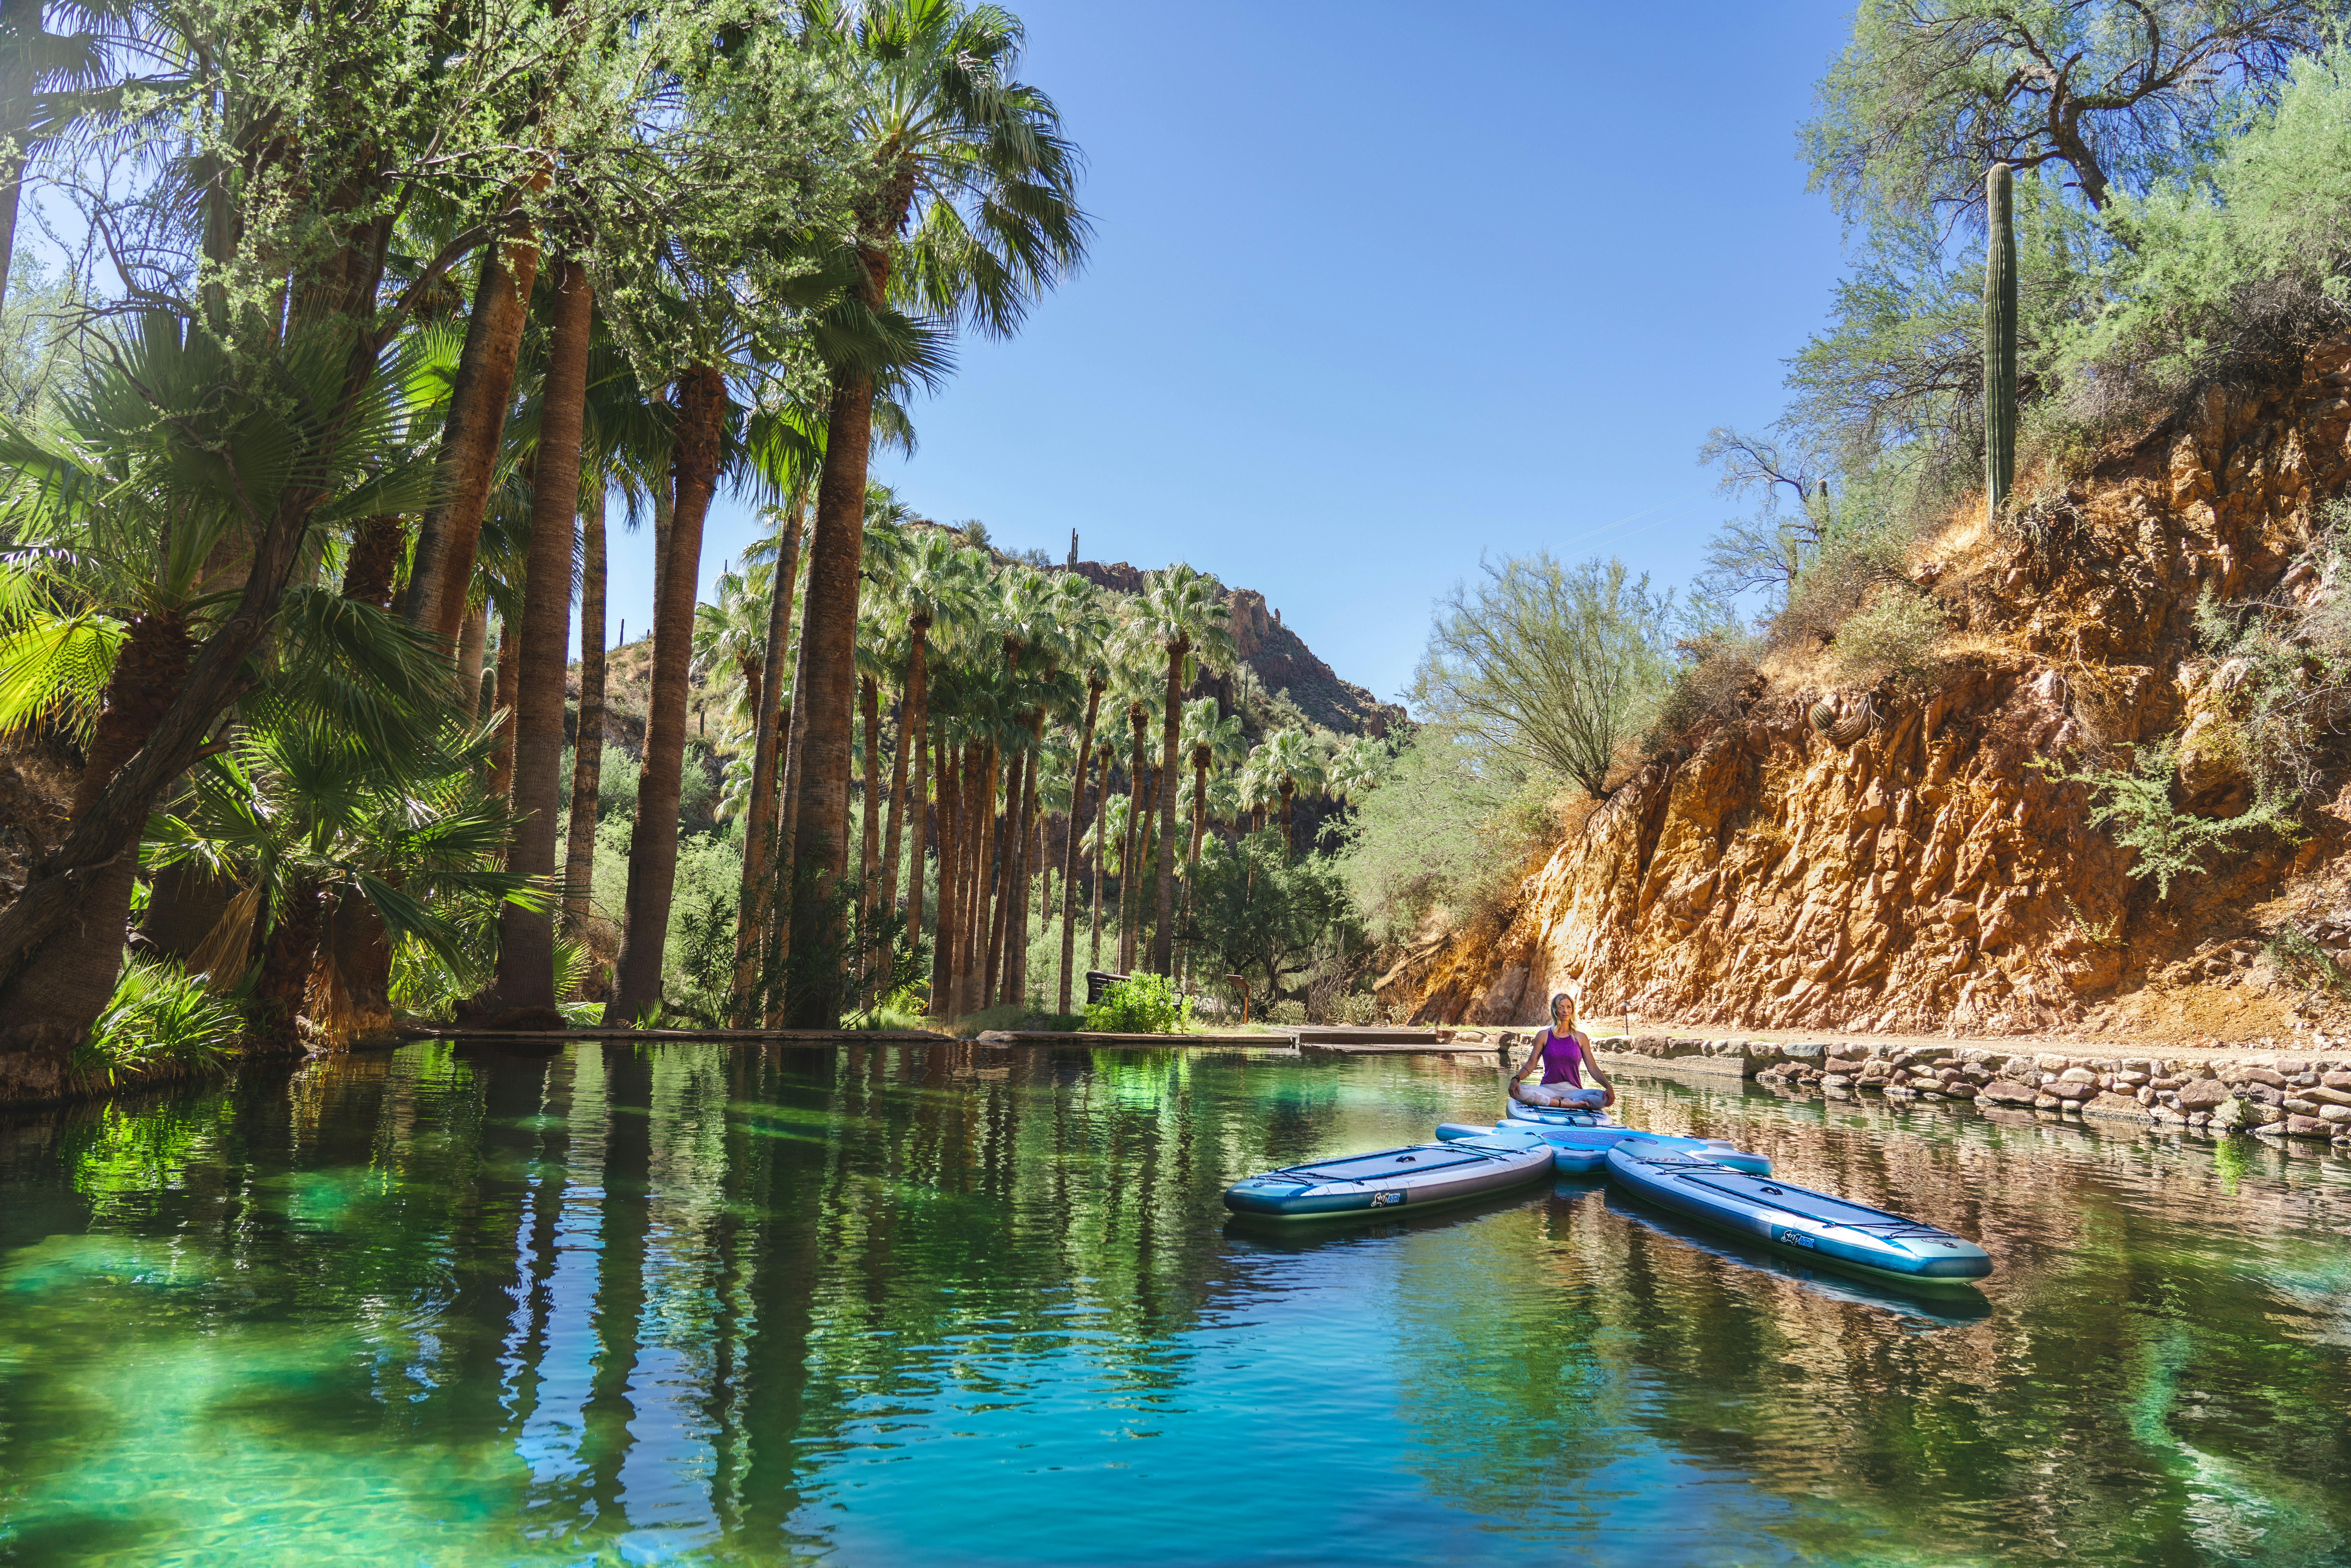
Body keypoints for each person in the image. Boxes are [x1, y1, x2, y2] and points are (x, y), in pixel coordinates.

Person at [1510, 992, 1616, 1110]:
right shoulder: (1544, 1036)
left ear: (1572, 1011)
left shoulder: (1581, 1038)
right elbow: (1531, 1064)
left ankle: (1563, 1102)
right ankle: (1567, 1104)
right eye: (1562, 1008)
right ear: (1555, 1010)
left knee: (1603, 1097)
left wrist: (1608, 1087)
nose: (1566, 1011)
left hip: (1574, 1092)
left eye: (1569, 1007)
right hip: (1548, 1089)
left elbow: (1593, 1068)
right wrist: (1516, 1079)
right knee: (1520, 1091)